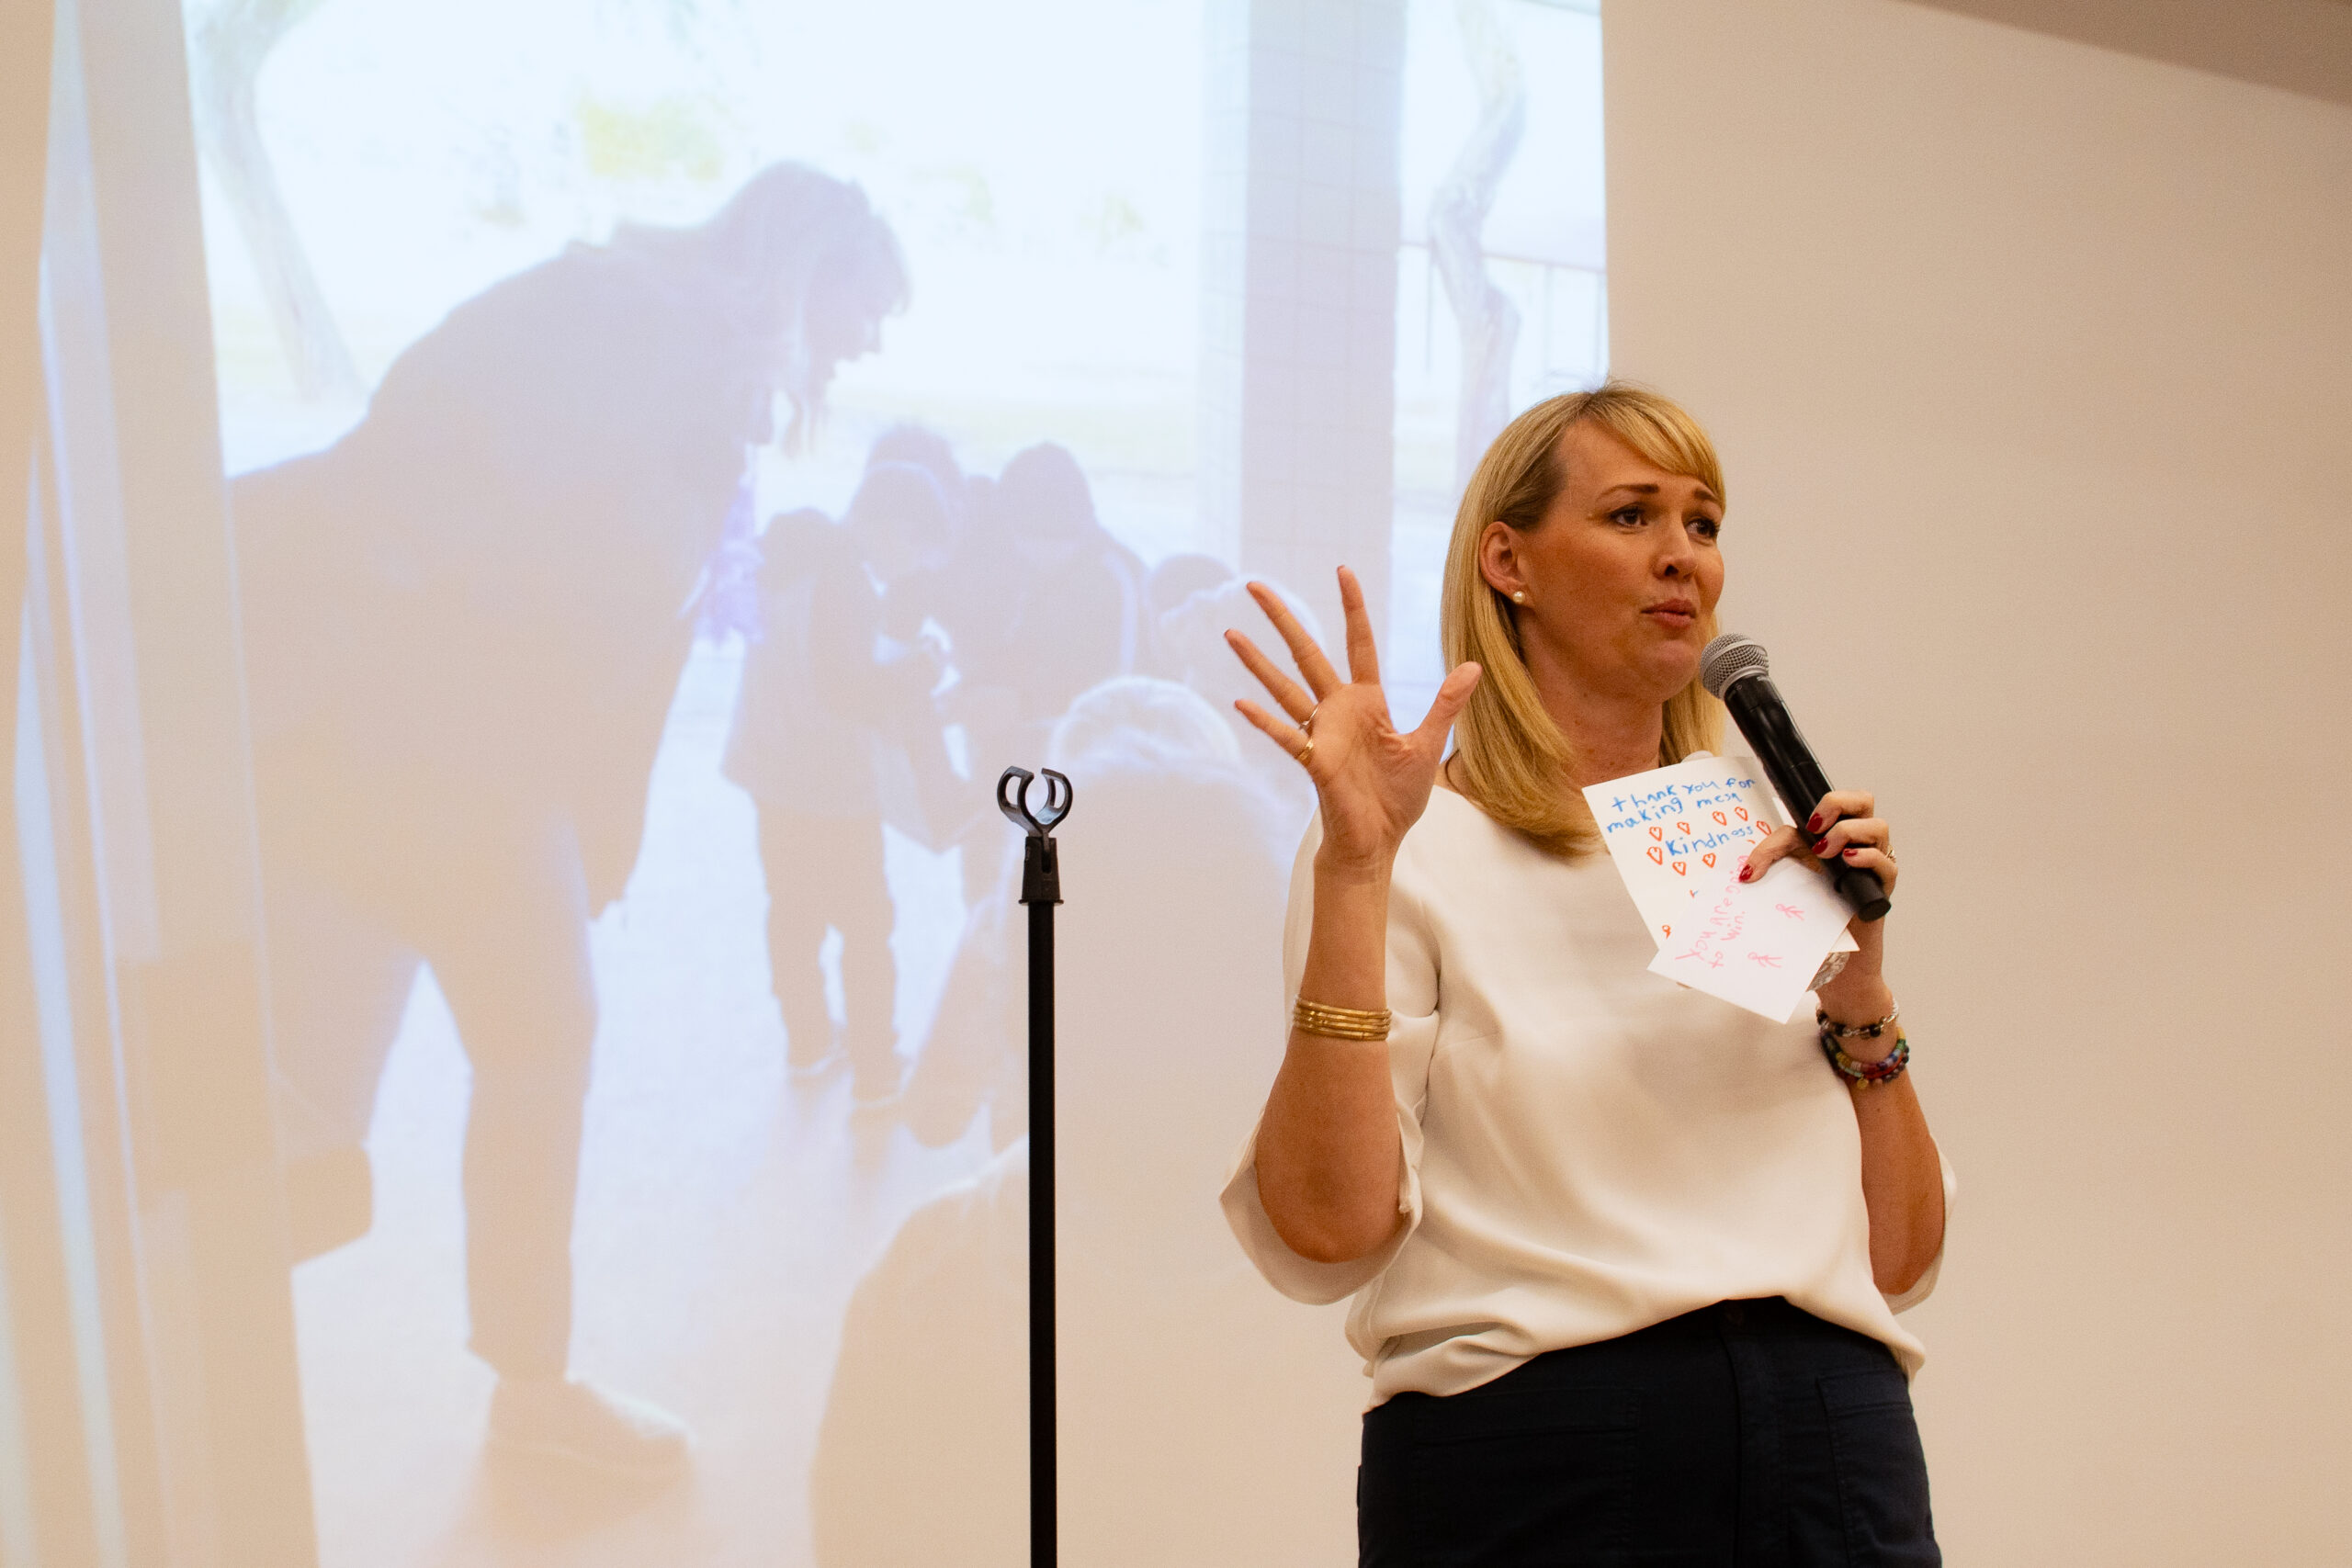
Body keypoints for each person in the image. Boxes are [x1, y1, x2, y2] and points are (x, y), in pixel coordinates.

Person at [230, 161, 908, 1473]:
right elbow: (454, 499)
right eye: (866, 306)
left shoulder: (685, 366)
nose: (868, 341)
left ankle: (511, 1390)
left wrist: (590, 816)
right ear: (800, 268)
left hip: (436, 753)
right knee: (372, 1082)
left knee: (376, 1078)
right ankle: (472, 1395)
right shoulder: (627, 326)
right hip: (415, 743)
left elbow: (619, 620)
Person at [1219, 383, 1951, 1563]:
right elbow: (1326, 1231)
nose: (1683, 561)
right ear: (1508, 560)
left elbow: (1900, 1263)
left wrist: (1859, 1002)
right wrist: (1355, 873)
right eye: (1631, 517)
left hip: (1830, 1436)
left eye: (1703, 525)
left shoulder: (1765, 838)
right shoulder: (1412, 841)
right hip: (1540, 1452)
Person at [723, 470, 949, 1101]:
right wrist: (924, 667)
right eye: (917, 549)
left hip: (770, 768)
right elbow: (849, 690)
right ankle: (876, 1069)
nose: (913, 568)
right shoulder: (844, 579)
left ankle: (808, 1041)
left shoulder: (788, 558)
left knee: (791, 909)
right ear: (892, 529)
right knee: (866, 923)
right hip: (830, 784)